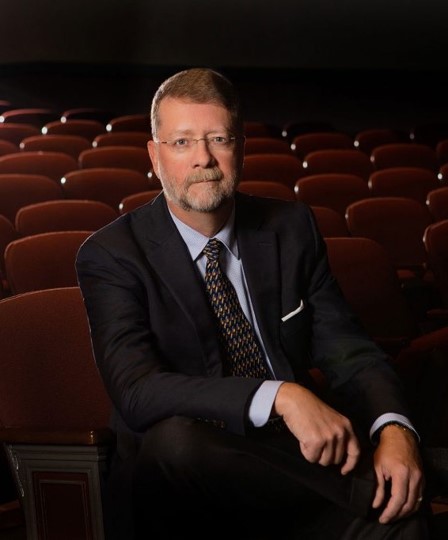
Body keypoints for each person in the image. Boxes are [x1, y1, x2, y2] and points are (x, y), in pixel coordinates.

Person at [76, 68, 430, 539]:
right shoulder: (111, 254)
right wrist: (281, 395)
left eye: (218, 139)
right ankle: (364, 495)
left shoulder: (291, 228)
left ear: (240, 148)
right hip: (190, 482)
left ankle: (375, 500)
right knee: (175, 442)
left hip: (295, 463)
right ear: (155, 157)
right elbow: (138, 391)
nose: (203, 158)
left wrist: (394, 431)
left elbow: (351, 352)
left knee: (404, 511)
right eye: (182, 142)